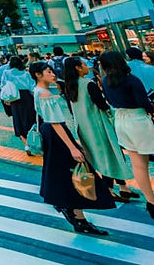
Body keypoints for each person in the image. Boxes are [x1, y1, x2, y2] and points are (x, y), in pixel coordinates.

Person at [30, 61, 114, 234]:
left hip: (52, 134)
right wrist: (72, 147)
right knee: (77, 172)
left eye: (52, 71)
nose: (53, 74)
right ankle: (77, 215)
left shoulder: (38, 91)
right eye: (48, 71)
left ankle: (73, 211)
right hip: (57, 134)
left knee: (65, 173)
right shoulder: (44, 93)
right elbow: (56, 122)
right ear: (38, 75)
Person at [63, 57, 137, 203]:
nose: (87, 67)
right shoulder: (88, 84)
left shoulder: (69, 86)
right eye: (84, 64)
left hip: (84, 127)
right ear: (78, 68)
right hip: (99, 125)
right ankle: (109, 190)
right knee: (110, 156)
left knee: (106, 156)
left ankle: (124, 188)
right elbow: (102, 105)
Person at [99, 50, 154, 219]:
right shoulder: (131, 80)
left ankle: (151, 202)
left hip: (121, 120)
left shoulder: (105, 81)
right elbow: (144, 103)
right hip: (138, 120)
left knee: (138, 164)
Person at [0, 56, 37, 155]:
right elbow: (32, 86)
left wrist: (6, 99)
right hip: (27, 97)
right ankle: (33, 140)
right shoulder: (26, 74)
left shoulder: (7, 73)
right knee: (30, 119)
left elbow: (3, 85)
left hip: (15, 98)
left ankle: (26, 145)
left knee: (18, 120)